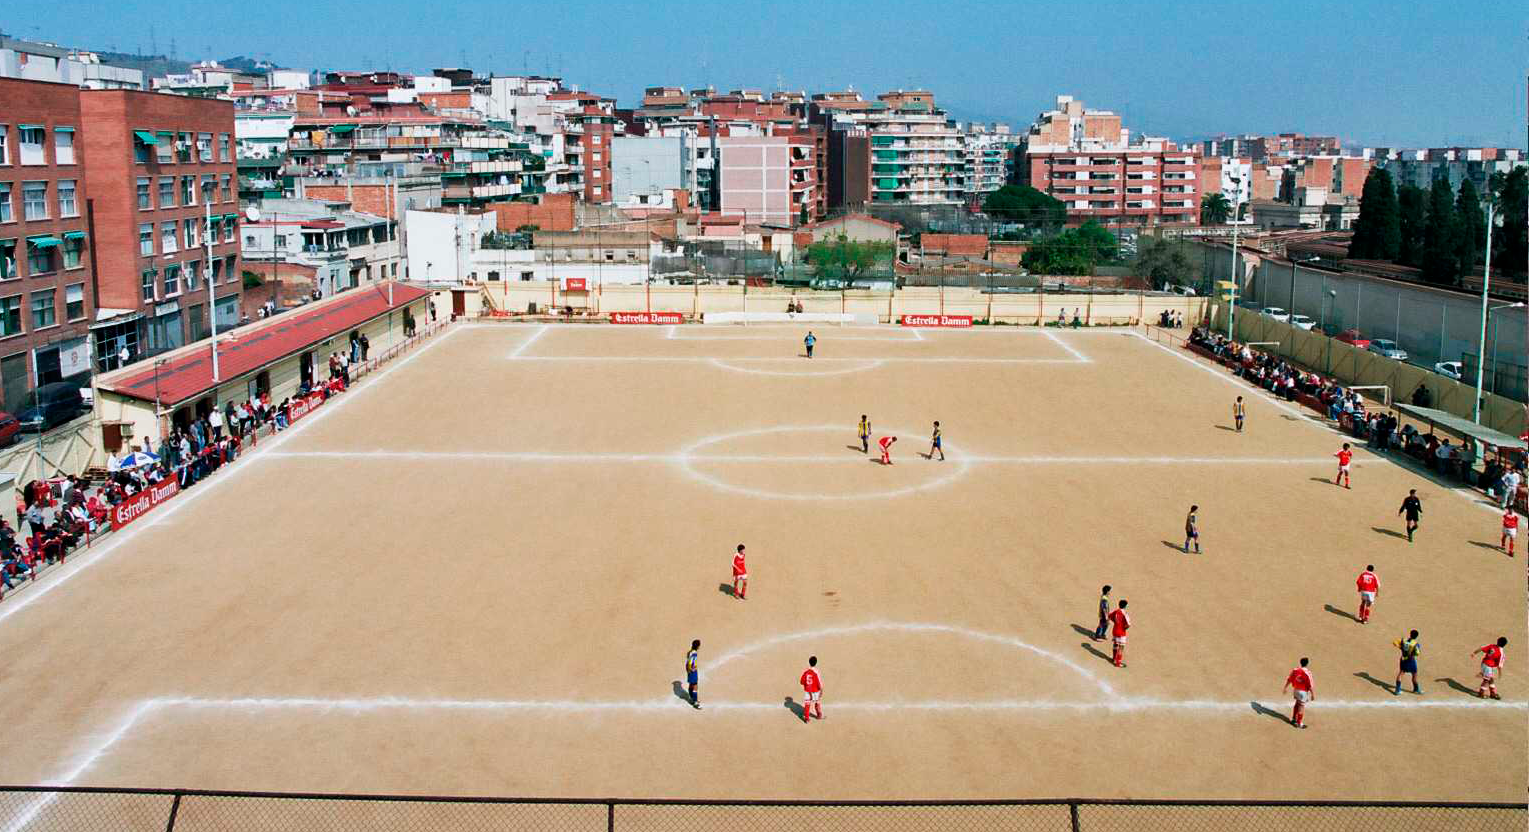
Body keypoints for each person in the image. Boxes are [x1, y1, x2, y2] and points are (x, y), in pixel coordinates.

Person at [1283, 657, 1314, 728]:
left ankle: (1293, 719)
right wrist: (1312, 694)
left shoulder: (1295, 670)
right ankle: (1299, 723)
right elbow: (1310, 685)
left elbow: (1289, 679)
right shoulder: (1308, 673)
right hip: (1303, 692)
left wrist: (1285, 687)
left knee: (1297, 703)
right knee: (1301, 706)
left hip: (1296, 690)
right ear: (1307, 663)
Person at [1394, 630, 1422, 695]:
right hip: (1411, 660)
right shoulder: (1415, 644)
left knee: (1401, 673)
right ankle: (1416, 689)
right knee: (1414, 674)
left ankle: (1397, 690)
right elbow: (1417, 653)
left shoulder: (1404, 640)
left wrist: (1401, 647)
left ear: (1410, 634)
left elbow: (1395, 642)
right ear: (1416, 636)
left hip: (1403, 659)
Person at [1108, 599, 1131, 667]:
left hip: (1115, 630)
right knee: (1121, 647)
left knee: (1115, 644)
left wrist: (1115, 622)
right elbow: (1128, 624)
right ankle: (1118, 663)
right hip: (1121, 632)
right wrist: (1124, 628)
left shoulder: (1116, 611)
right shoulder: (1125, 613)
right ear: (1125, 606)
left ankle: (1114, 658)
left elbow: (1110, 616)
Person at [799, 656, 823, 723]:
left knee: (807, 704)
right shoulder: (816, 672)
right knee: (817, 703)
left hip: (808, 691)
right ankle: (819, 715)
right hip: (815, 690)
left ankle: (806, 719)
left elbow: (801, 681)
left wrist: (807, 685)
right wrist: (821, 690)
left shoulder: (806, 671)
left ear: (809, 662)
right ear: (816, 663)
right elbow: (819, 682)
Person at [686, 639, 701, 709]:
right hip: (693, 671)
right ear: (697, 646)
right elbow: (690, 662)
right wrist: (691, 669)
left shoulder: (689, 652)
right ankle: (695, 702)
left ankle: (691, 699)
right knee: (695, 686)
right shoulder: (694, 653)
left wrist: (688, 669)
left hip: (689, 670)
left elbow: (687, 661)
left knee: (691, 685)